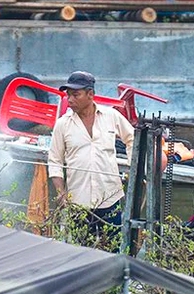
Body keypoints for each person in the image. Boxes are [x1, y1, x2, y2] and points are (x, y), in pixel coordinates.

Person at [46, 70, 137, 240]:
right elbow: (55, 160)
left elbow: (132, 138)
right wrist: (61, 192)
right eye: (68, 95)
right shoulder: (63, 124)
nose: (70, 100)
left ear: (90, 94)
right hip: (78, 201)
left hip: (110, 197)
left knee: (113, 249)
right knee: (81, 250)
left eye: (75, 95)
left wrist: (133, 170)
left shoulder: (111, 116)